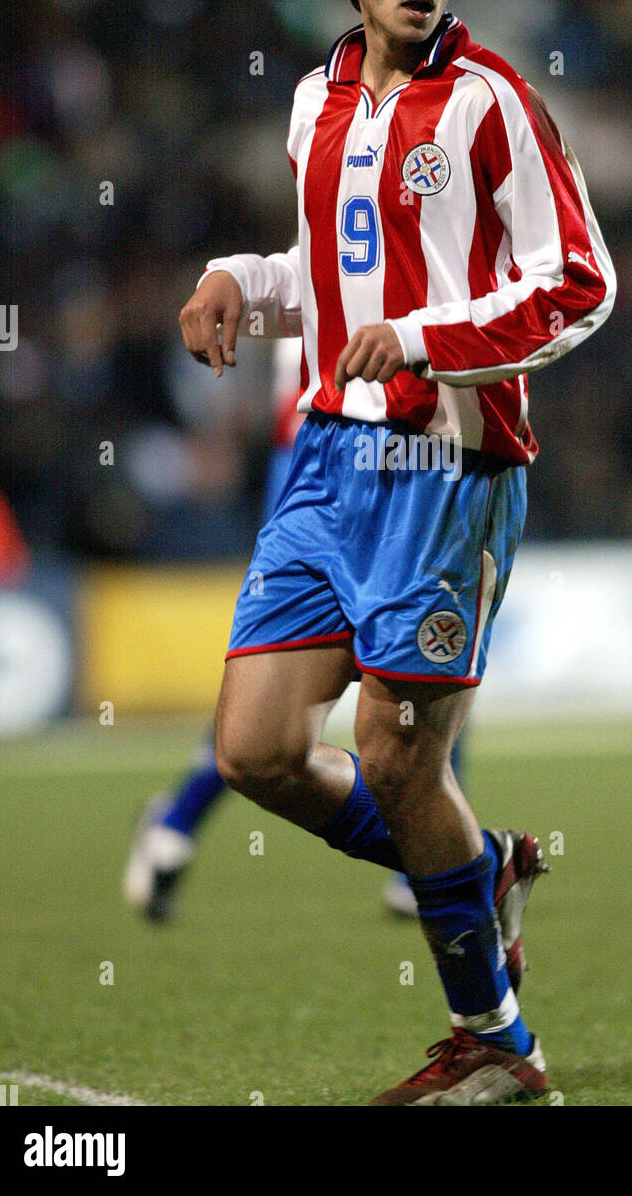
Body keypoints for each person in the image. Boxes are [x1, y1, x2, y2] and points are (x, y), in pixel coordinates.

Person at [177, 0, 615, 1105]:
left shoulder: (492, 102)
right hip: (324, 462)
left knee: (392, 757)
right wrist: (236, 282)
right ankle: (479, 868)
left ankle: (495, 1036)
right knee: (257, 749)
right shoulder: (314, 100)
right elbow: (327, 284)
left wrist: (425, 341)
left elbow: (579, 284)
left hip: (445, 464)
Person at [122, 334, 467, 921]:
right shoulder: (344, 270)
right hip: (336, 476)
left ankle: (175, 825)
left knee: (408, 677)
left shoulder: (331, 270)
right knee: (288, 703)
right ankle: (440, 861)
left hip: (361, 469)